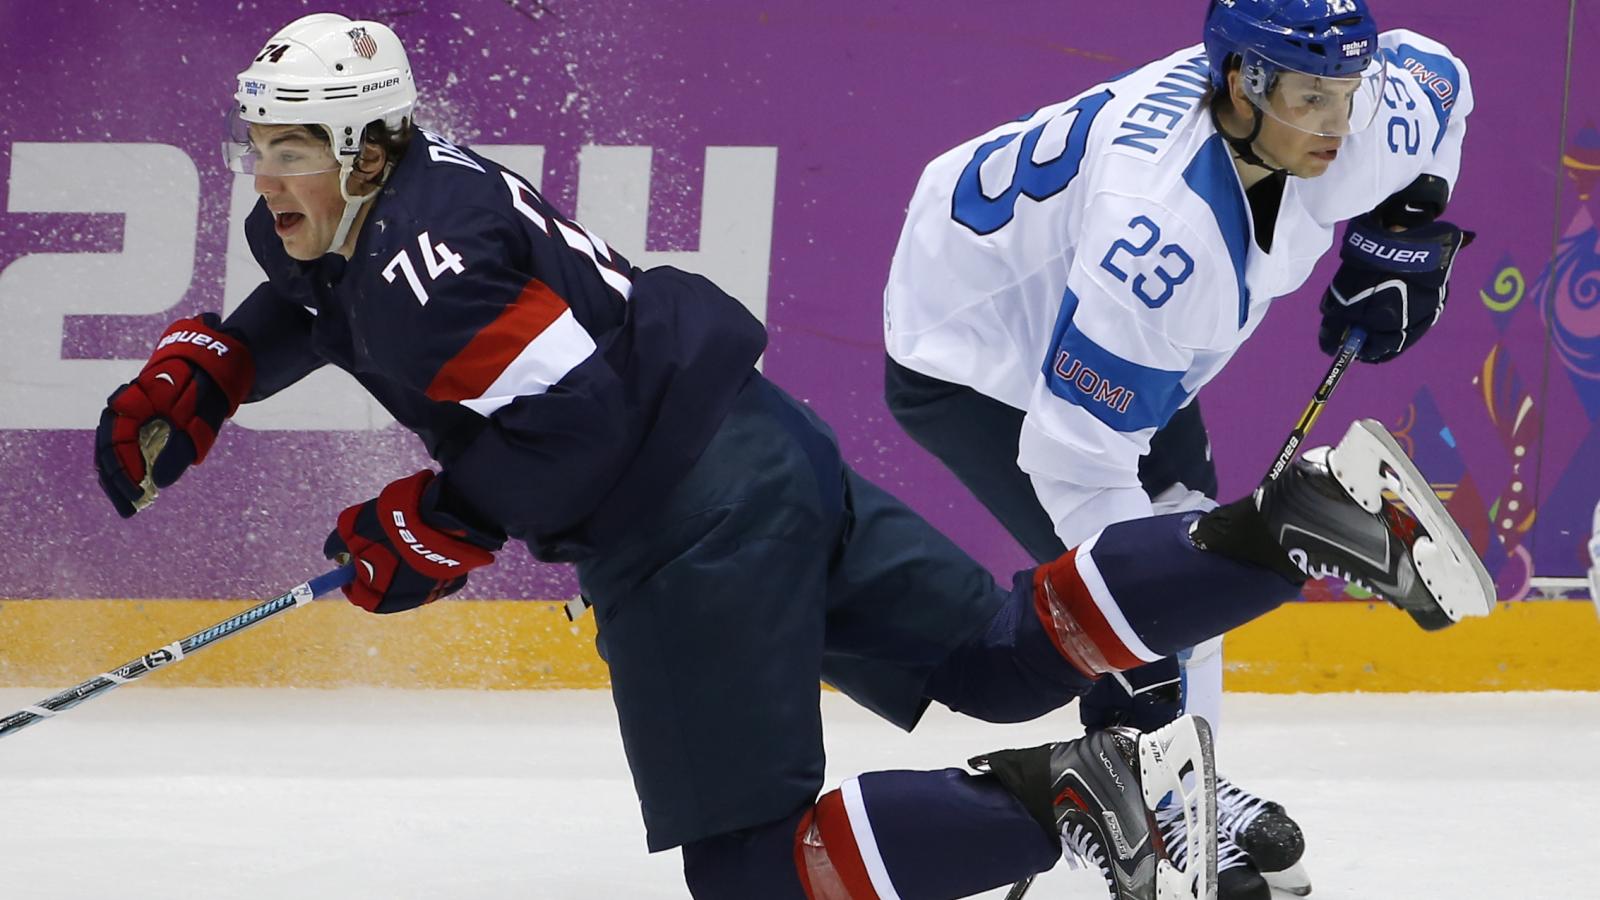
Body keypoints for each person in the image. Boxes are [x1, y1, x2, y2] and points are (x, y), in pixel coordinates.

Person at [92, 13, 1490, 900]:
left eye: (289, 150)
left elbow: (574, 435)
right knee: (997, 659)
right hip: (764, 449)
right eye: (259, 147)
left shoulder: (424, 265)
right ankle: (1286, 525)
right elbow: (319, 292)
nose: (264, 177)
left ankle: (1066, 794)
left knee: (755, 872)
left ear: (360, 146)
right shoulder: (395, 196)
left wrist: (428, 525)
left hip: (683, 530)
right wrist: (215, 367)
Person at [882, 1, 1474, 895]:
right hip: (977, 348)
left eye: (1348, 93)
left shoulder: (1348, 118)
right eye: (1311, 99)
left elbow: (1440, 75)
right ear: (1242, 83)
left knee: (1185, 539)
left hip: (1091, 300)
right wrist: (1151, 629)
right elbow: (1076, 463)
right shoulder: (1161, 240)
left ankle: (1180, 794)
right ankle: (1148, 804)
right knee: (1162, 574)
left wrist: (1405, 225)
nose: (1340, 124)